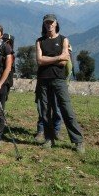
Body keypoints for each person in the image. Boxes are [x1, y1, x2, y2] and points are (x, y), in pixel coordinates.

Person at [35, 14, 85, 154]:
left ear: (56, 23)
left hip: (59, 79)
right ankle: (49, 138)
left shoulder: (63, 39)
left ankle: (78, 141)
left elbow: (64, 62)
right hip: (43, 79)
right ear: (44, 25)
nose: (49, 25)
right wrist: (57, 57)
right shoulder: (40, 41)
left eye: (51, 22)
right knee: (45, 110)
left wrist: (47, 59)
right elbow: (39, 61)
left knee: (66, 109)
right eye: (47, 23)